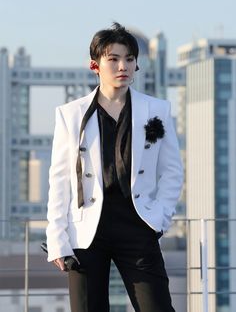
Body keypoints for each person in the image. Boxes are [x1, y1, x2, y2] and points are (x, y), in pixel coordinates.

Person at [46, 22, 184, 312]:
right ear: (95, 65)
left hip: (137, 223)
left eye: (130, 59)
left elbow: (172, 171)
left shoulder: (156, 111)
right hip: (86, 230)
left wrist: (159, 218)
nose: (123, 66)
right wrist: (57, 239)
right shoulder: (71, 115)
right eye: (114, 59)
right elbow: (59, 181)